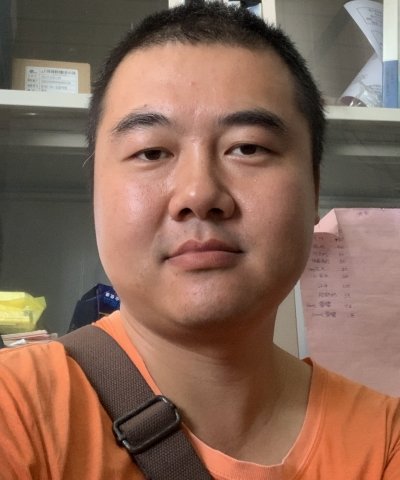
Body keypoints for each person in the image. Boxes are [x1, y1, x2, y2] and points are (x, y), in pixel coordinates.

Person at [1, 2, 399, 479]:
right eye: (152, 152)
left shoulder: (384, 441)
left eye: (247, 147)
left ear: (314, 188)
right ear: (96, 193)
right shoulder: (16, 413)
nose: (199, 194)